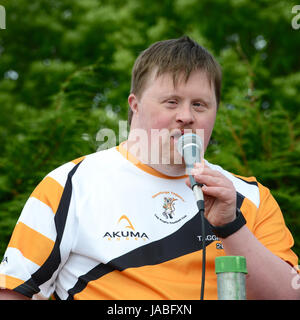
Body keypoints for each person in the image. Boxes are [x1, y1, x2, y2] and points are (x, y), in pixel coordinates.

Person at [0, 36, 299, 300]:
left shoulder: (251, 196)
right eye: (171, 102)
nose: (186, 116)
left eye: (199, 105)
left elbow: (288, 296)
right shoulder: (71, 185)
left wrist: (232, 226)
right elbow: (12, 291)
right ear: (135, 106)